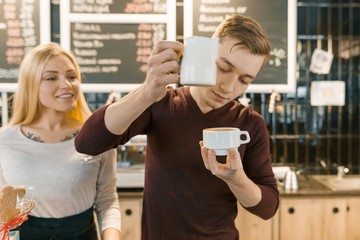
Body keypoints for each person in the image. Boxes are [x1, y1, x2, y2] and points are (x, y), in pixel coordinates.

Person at [75, 14, 279, 239]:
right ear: (206, 54)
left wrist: (236, 178)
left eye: (244, 81)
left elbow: (268, 207)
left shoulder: (250, 123)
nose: (229, 87)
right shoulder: (161, 103)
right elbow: (87, 142)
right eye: (223, 67)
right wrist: (146, 92)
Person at [0, 42, 121, 240]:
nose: (66, 84)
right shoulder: (4, 141)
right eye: (51, 77)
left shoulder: (97, 136)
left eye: (72, 76)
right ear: (31, 84)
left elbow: (107, 200)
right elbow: (4, 212)